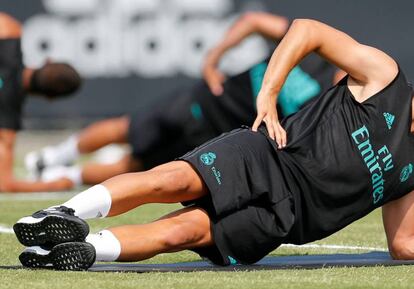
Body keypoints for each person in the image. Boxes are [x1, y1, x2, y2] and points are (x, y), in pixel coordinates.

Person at [14, 18, 411, 271]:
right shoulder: (385, 77)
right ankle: (62, 212)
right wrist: (268, 96)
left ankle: (73, 253)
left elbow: (402, 244)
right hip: (268, 156)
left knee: (178, 235)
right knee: (169, 182)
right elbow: (307, 29)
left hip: (288, 219)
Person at [24, 12, 343, 187]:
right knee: (127, 128)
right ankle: (52, 157)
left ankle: (60, 176)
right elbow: (254, 22)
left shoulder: (329, 106)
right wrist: (213, 58)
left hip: (215, 137)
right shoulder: (312, 53)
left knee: (134, 167)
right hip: (200, 102)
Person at [0, 12, 82, 192]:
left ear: (47, 61)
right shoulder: (7, 123)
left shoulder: (9, 31)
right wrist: (56, 184)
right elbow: (4, 183)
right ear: (50, 98)